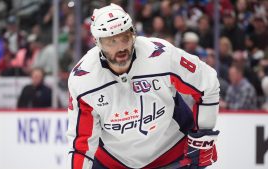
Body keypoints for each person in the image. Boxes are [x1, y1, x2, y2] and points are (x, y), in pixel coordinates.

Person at [67, 4, 220, 169]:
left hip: (172, 151)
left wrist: (202, 137)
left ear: (133, 34)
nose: (120, 48)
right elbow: (82, 143)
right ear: (97, 43)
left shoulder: (162, 56)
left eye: (124, 37)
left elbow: (207, 82)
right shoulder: (83, 79)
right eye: (111, 41)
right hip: (113, 162)